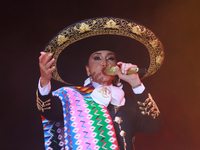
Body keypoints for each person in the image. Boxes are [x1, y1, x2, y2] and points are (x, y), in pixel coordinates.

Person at [36, 17, 164, 150]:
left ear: (117, 67)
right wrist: (45, 80)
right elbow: (47, 110)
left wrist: (136, 83)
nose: (105, 63)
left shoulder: (128, 102)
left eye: (110, 58)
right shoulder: (72, 98)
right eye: (97, 58)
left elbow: (153, 125)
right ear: (88, 70)